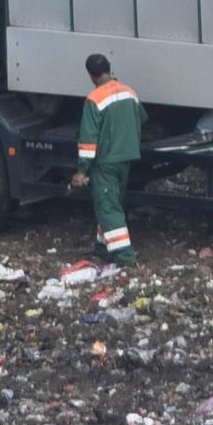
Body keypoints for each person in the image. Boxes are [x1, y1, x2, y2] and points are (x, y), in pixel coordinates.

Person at [75, 52, 143, 267]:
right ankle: (102, 248)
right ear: (109, 68)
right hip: (127, 157)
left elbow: (88, 140)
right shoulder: (130, 93)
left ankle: (125, 257)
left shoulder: (95, 99)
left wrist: (81, 171)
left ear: (91, 75)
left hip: (106, 161)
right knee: (113, 202)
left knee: (108, 207)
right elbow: (141, 118)